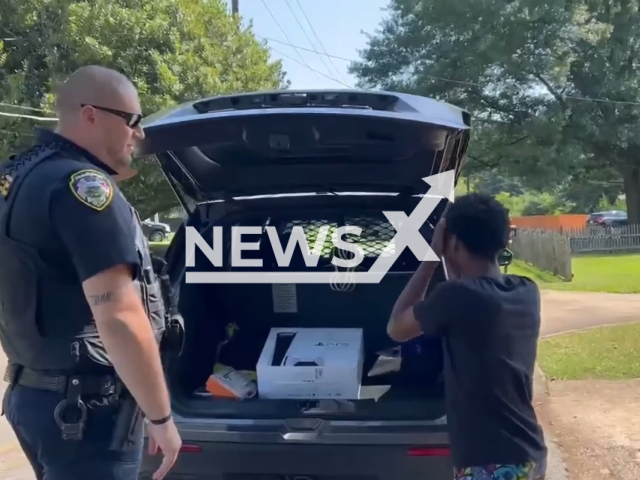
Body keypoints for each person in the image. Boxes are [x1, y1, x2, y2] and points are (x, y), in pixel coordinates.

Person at [0, 65, 181, 480]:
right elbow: (118, 315)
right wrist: (160, 416)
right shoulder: (84, 188)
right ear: (90, 115)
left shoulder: (16, 177)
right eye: (132, 121)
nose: (138, 134)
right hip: (87, 414)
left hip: (33, 396)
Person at [387, 193, 547, 480]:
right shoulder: (526, 291)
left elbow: (397, 328)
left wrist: (431, 258)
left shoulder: (457, 297)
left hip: (490, 463)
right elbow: (467, 292)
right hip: (528, 453)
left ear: (454, 242)